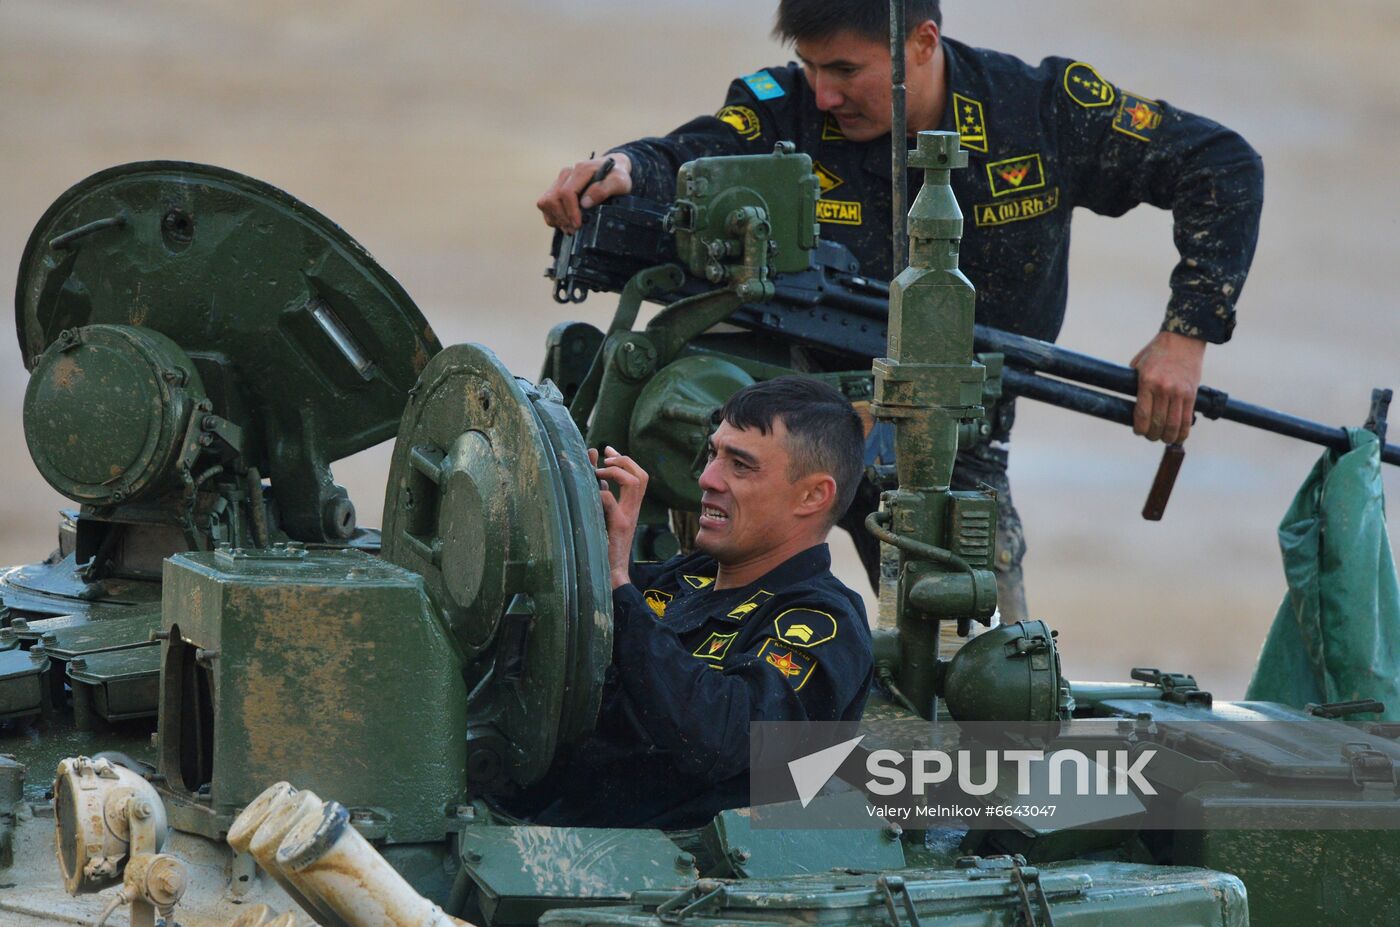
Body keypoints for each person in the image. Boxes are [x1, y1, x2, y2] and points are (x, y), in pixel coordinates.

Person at [536, 1, 1265, 622]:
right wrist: (624, 169)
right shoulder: (777, 106)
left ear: (922, 43)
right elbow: (692, 155)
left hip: (949, 441)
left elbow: (1221, 164)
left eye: (845, 71)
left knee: (983, 678)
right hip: (792, 413)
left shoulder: (1040, 110)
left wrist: (1186, 334)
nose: (821, 94)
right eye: (810, 66)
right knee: (701, 639)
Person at [519, 377, 873, 829]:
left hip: (675, 877)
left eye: (741, 465)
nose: (707, 478)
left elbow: (722, 737)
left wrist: (614, 581)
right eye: (713, 454)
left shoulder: (823, 622)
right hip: (551, 828)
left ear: (812, 495)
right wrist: (579, 536)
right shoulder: (684, 579)